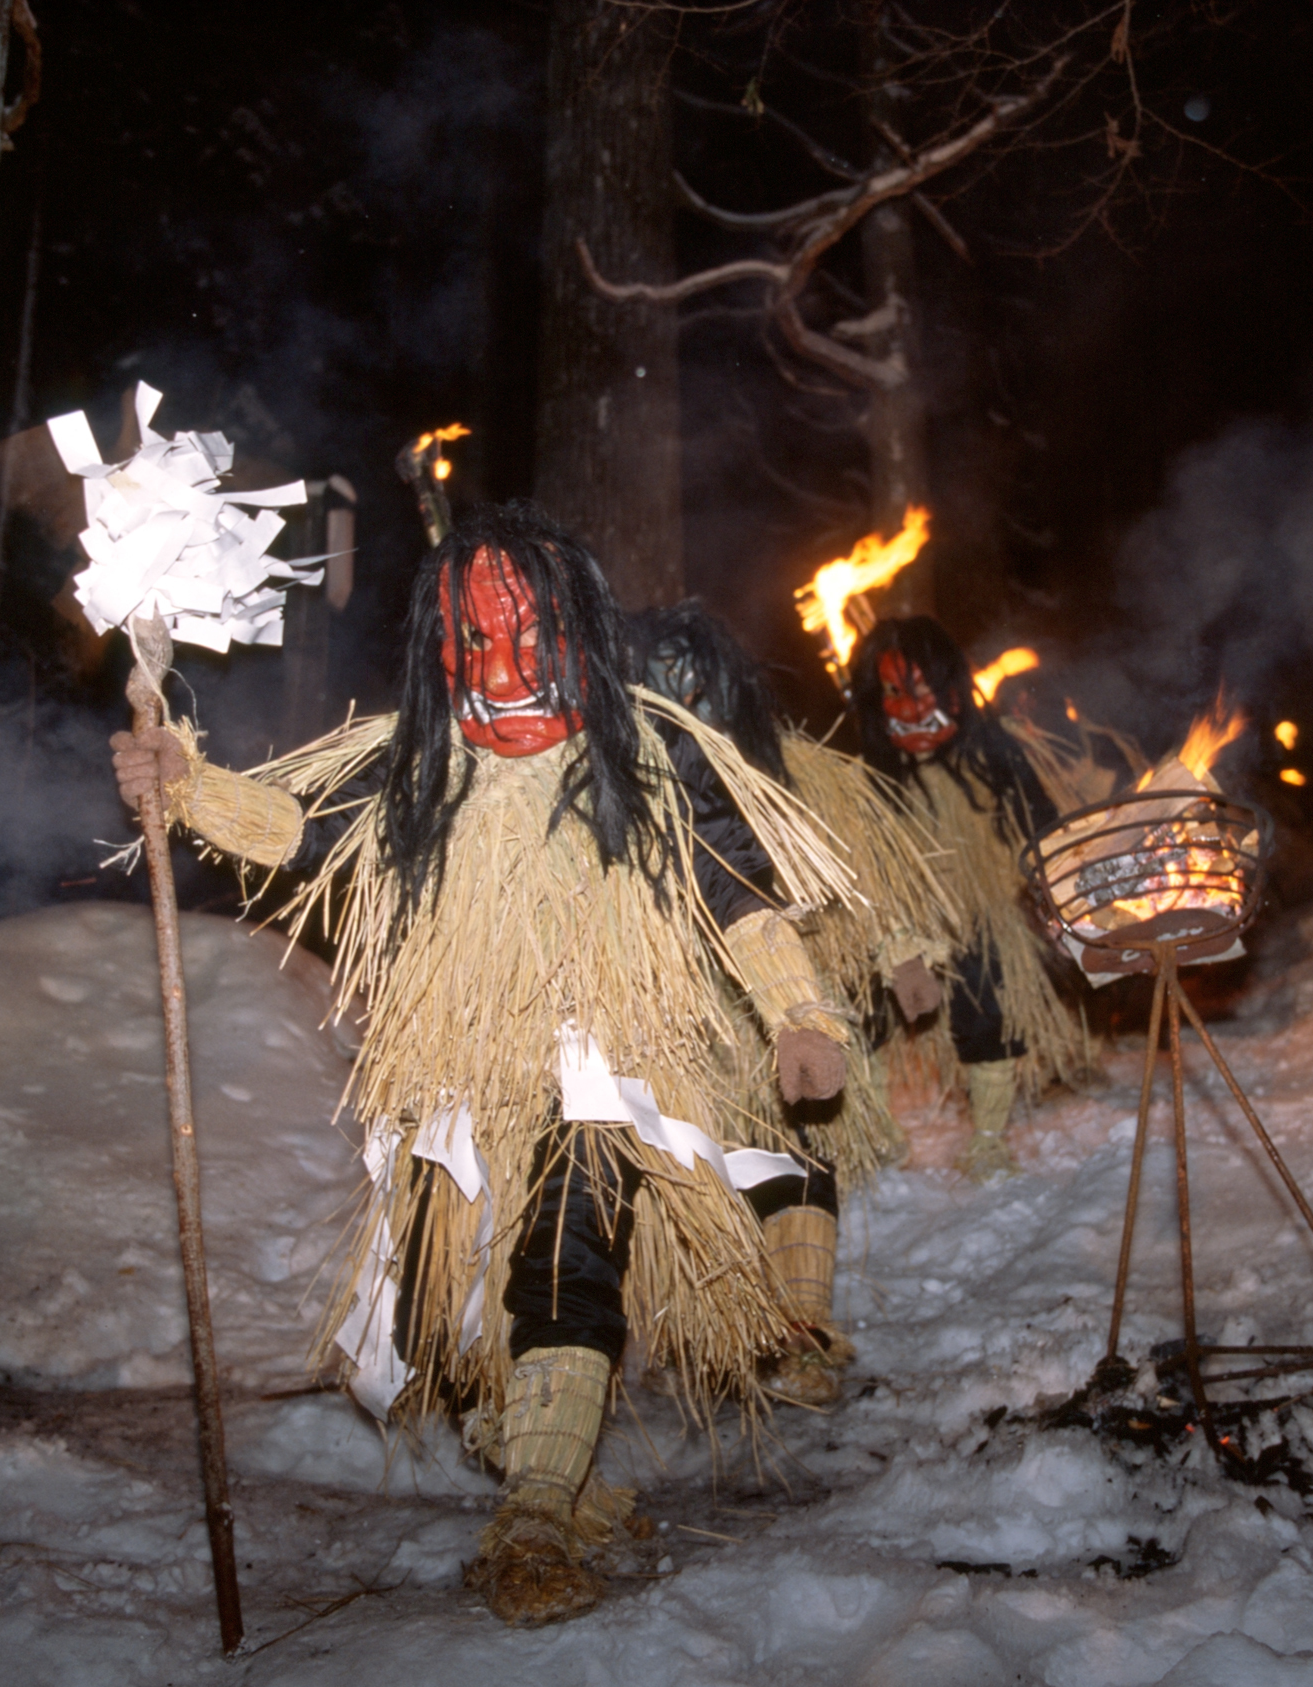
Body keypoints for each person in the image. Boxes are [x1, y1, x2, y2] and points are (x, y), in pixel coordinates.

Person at [111, 502, 857, 1625]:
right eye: (473, 645)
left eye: (528, 640)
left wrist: (801, 1017)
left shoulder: (656, 761)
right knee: (450, 1322)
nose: (501, 671)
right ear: (437, 654)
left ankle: (540, 1517)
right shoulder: (418, 767)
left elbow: (738, 898)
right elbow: (298, 828)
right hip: (456, 1089)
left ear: (583, 640)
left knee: (569, 1252)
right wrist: (184, 782)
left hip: (607, 1073)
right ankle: (537, 1452)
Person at [634, 602, 956, 1404]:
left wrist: (902, 950)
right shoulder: (617, 799)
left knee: (803, 1154)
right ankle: (721, 1330)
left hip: (789, 1009)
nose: (688, 712)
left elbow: (866, 877)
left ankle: (803, 1330)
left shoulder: (805, 778)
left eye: (700, 692)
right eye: (665, 693)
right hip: (686, 1031)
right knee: (709, 1170)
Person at [846, 616, 1095, 1180]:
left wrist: (1057, 893)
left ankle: (988, 1135)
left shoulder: (995, 754)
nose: (912, 711)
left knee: (986, 985)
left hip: (986, 913)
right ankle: (874, 1129)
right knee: (861, 998)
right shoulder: (865, 779)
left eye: (926, 690)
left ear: (955, 689)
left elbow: (1042, 830)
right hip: (897, 920)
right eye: (893, 693)